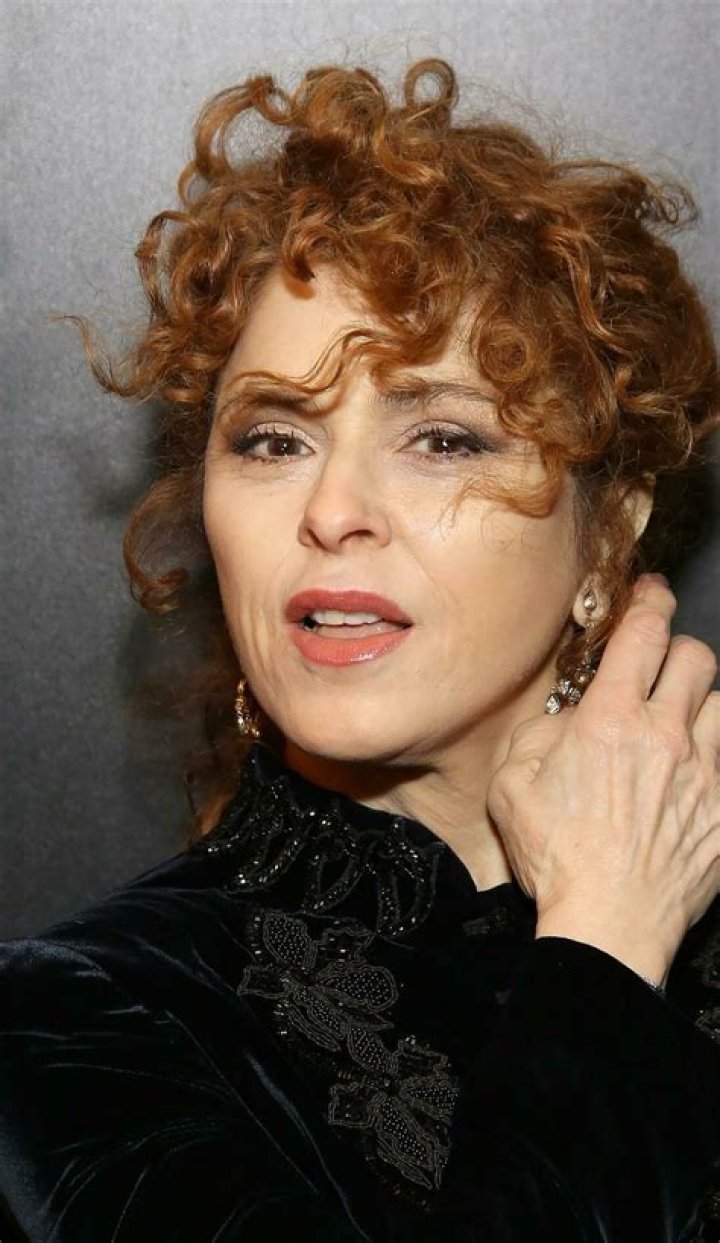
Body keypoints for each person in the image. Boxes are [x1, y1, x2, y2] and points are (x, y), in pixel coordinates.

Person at [1, 57, 718, 1243]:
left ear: (609, 537)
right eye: (274, 440)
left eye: (443, 438)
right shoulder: (86, 1015)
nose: (332, 511)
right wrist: (604, 947)